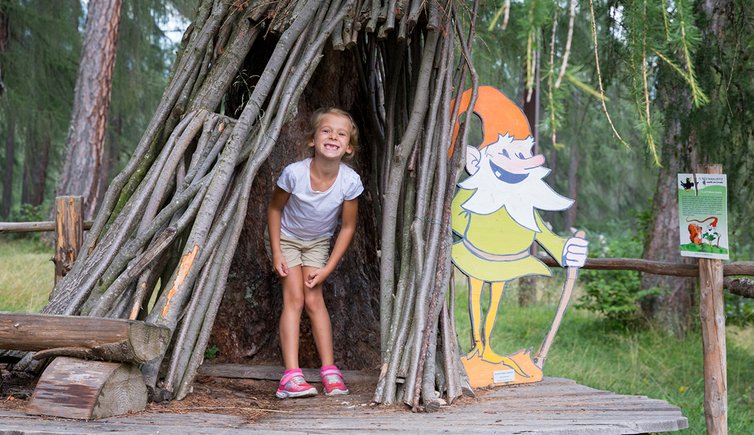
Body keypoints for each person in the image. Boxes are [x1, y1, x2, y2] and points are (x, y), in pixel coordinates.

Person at [267, 108, 363, 399]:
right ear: (312, 139)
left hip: (319, 242)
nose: (333, 136)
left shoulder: (349, 182)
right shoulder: (294, 174)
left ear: (348, 147)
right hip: (287, 238)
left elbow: (347, 228)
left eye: (341, 133)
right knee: (294, 298)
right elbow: (274, 209)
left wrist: (328, 268)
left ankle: (329, 371)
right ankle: (291, 377)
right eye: (326, 130)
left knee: (314, 299)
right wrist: (276, 252)